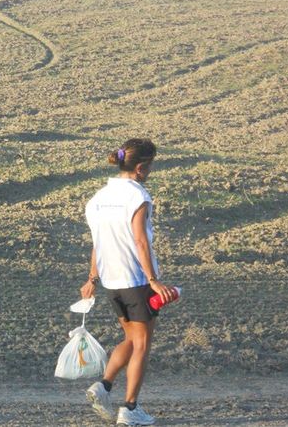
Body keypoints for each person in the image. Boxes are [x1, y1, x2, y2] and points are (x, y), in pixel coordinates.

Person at [80, 138, 176, 426]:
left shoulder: (97, 199)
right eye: (151, 166)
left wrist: (92, 278)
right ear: (141, 168)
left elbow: (98, 242)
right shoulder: (138, 196)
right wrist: (153, 280)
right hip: (135, 279)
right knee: (142, 343)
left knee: (131, 339)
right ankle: (130, 409)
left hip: (111, 280)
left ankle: (104, 386)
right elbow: (140, 240)